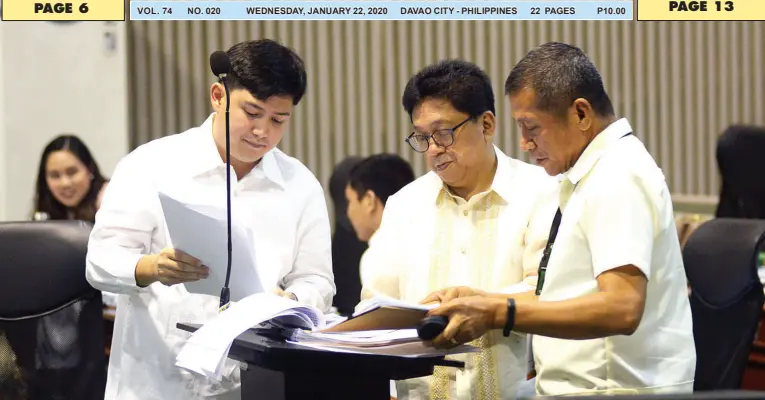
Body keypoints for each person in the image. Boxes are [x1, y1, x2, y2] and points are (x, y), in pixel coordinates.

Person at [423, 42, 696, 396]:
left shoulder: (618, 175)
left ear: (581, 114)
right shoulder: (589, 175)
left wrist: (496, 314)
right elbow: (570, 296)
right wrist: (484, 301)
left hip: (617, 390)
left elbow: (622, 307)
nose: (524, 143)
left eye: (531, 128)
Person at [85, 39, 335, 400]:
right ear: (218, 96)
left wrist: (292, 301)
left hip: (251, 385)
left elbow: (317, 278)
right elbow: (99, 262)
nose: (263, 132)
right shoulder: (151, 164)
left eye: (278, 120)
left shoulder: (300, 185)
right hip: (155, 383)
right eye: (251, 113)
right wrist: (151, 267)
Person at [359, 59, 557, 399]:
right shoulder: (404, 205)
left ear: (487, 124)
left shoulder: (541, 193)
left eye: (444, 133)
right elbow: (375, 306)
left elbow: (549, 293)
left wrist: (483, 304)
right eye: (422, 137)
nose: (434, 149)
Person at [34, 134, 109, 222]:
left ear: (90, 170)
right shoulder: (46, 213)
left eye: (72, 172)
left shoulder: (109, 199)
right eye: (55, 175)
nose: (65, 183)